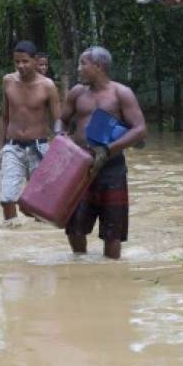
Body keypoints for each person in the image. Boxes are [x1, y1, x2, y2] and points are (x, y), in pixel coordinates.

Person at [59, 46, 146, 260]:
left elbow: (139, 129)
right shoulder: (77, 92)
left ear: (98, 66)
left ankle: (110, 274)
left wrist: (107, 149)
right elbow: (61, 119)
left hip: (112, 169)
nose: (79, 69)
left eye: (83, 64)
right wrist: (60, 136)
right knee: (75, 226)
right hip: (80, 167)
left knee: (113, 230)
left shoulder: (121, 93)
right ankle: (79, 264)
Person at [0, 40, 62, 226]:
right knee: (7, 197)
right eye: (17, 62)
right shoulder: (8, 81)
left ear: (35, 61)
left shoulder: (48, 86)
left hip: (39, 147)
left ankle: (37, 241)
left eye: (25, 61)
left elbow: (58, 118)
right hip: (12, 147)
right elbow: (4, 116)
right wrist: (1, 149)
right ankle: (11, 234)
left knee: (39, 202)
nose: (21, 66)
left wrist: (59, 144)